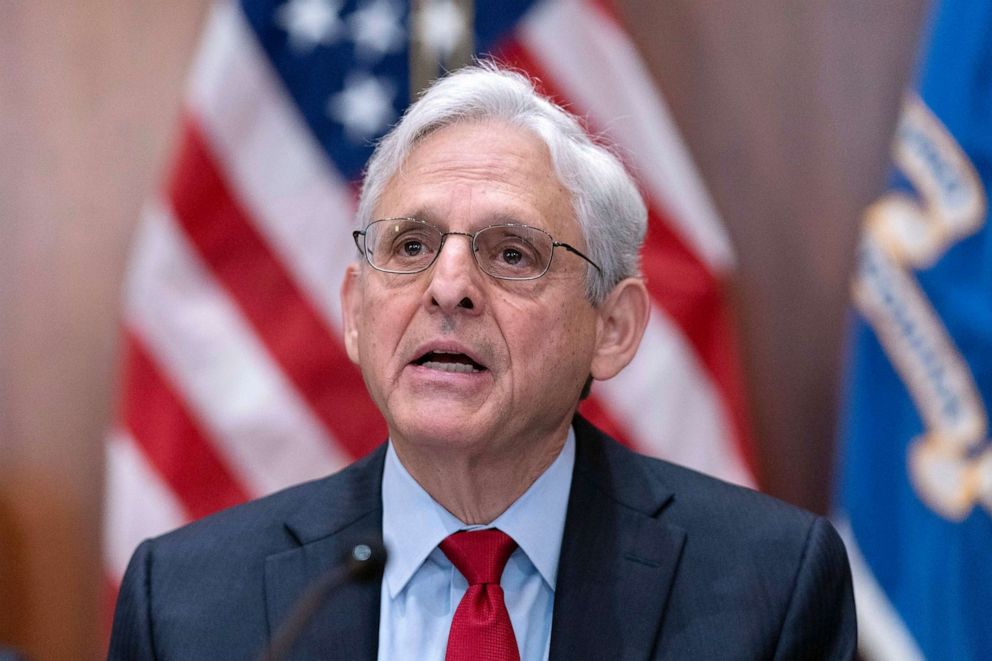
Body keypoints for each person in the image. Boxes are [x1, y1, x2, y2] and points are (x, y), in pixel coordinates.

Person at [109, 63, 856, 660]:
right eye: (409, 246)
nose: (449, 287)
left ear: (614, 327)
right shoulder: (186, 601)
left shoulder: (769, 584)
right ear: (355, 315)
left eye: (511, 253)